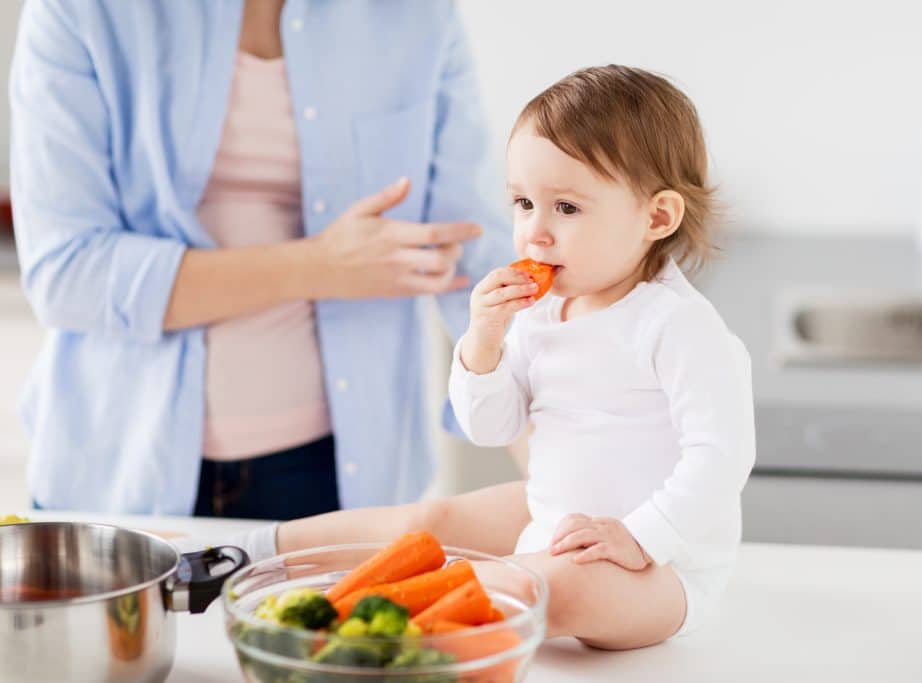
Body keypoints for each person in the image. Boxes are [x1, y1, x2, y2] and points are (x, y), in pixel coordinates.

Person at [254, 65, 756, 648]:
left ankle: (344, 630)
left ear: (657, 217)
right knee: (430, 522)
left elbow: (721, 459)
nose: (534, 234)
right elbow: (491, 427)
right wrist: (483, 343)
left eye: (566, 208)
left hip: (661, 571)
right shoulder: (540, 314)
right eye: (522, 203)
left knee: (554, 588)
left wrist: (643, 537)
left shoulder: (677, 326)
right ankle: (253, 558)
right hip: (553, 532)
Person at [9, 0, 512, 518]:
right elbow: (67, 272)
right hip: (121, 474)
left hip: (345, 477)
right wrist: (319, 266)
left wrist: (554, 453)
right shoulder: (82, 11)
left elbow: (475, 255)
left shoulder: (416, 15)